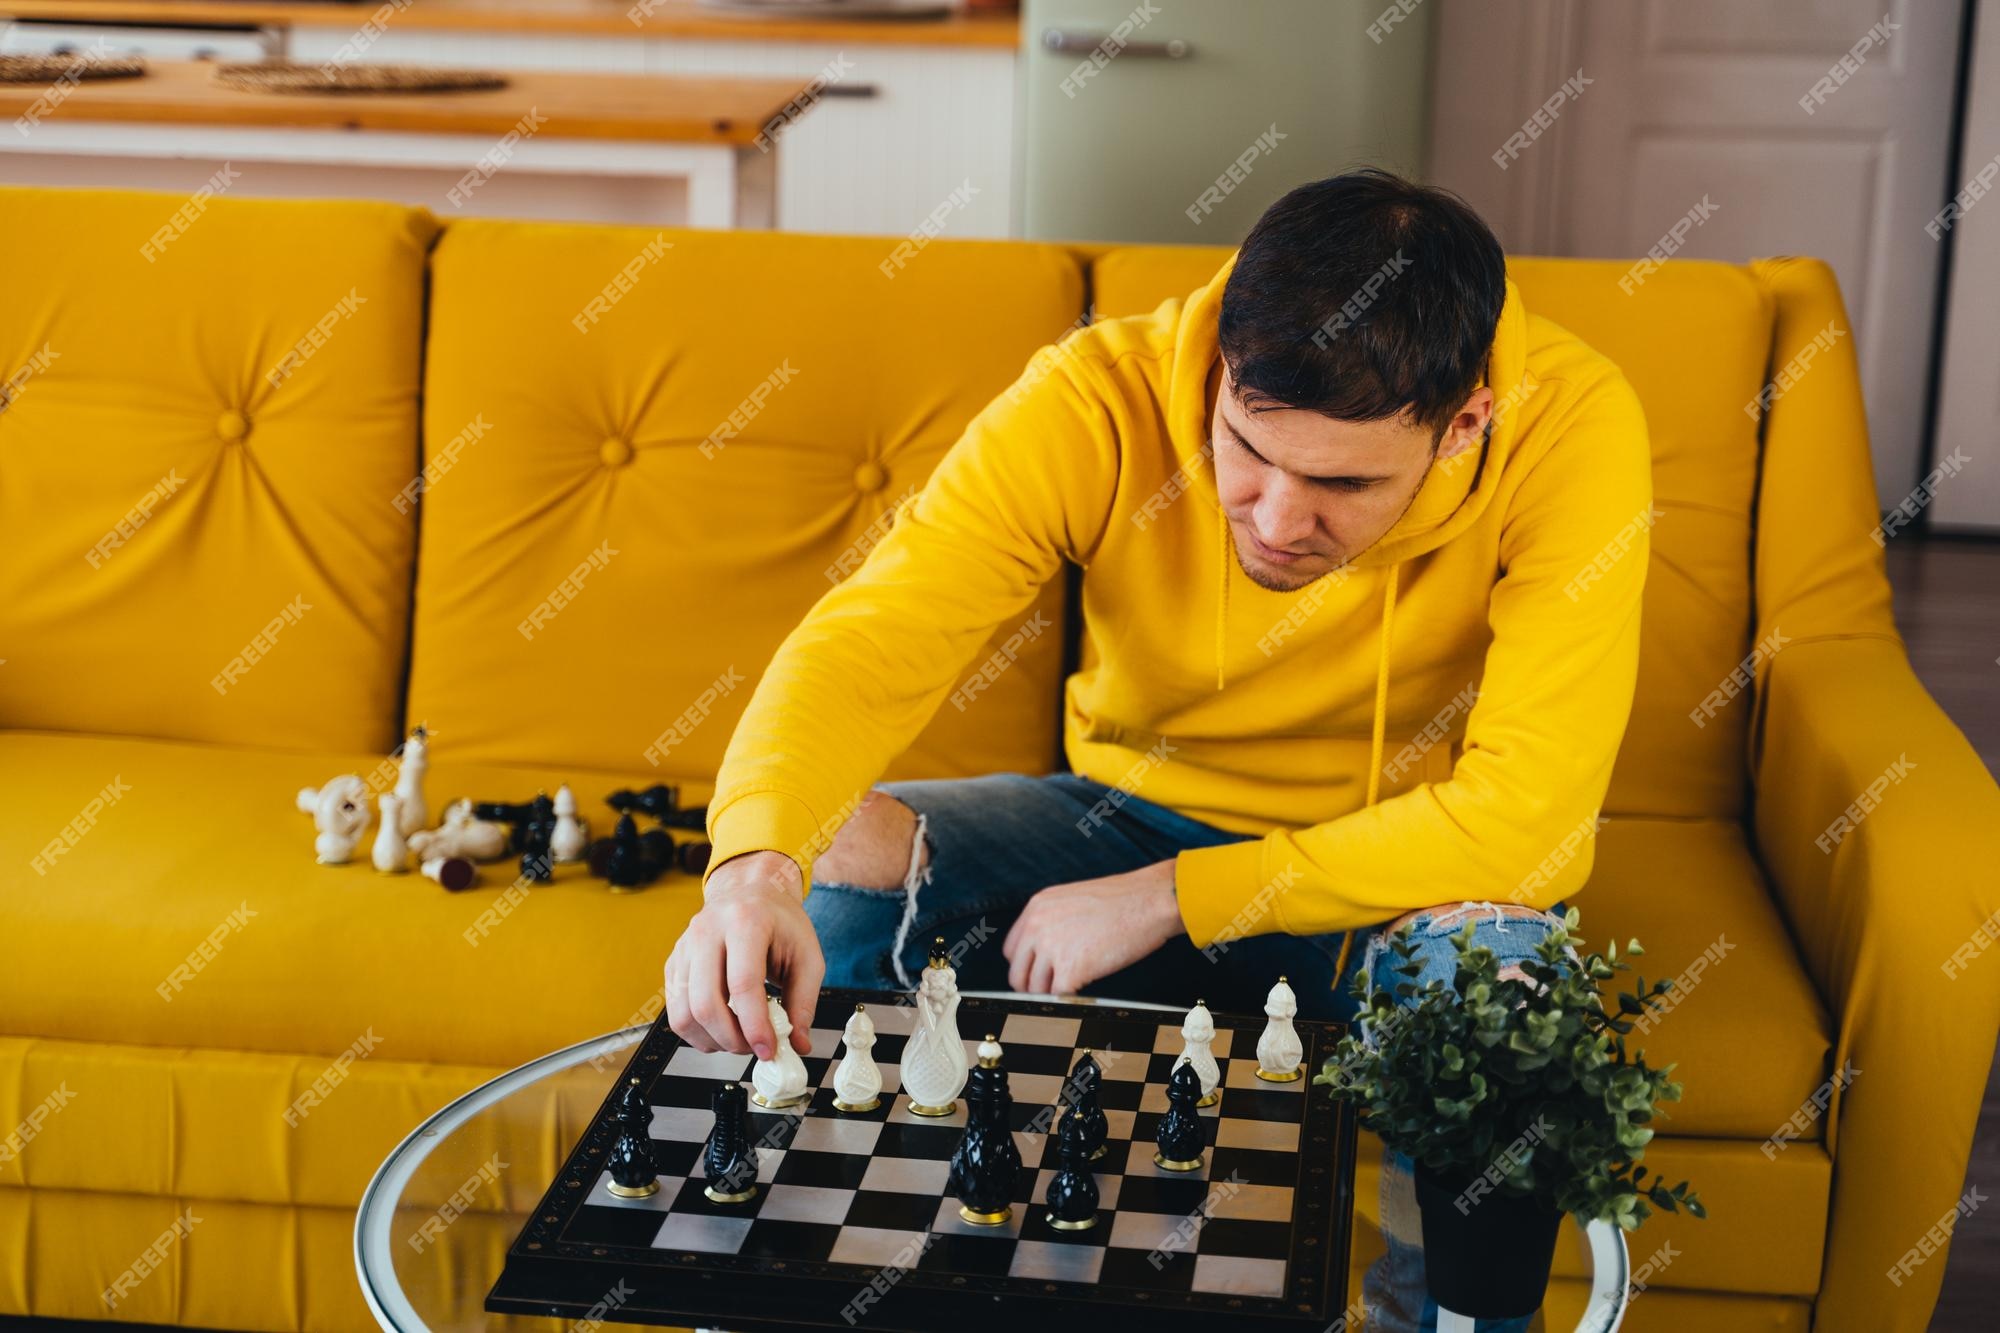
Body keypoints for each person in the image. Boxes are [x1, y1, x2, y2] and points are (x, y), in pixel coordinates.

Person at [665, 168, 1651, 1331]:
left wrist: (1172, 896)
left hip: (1399, 882)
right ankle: (859, 1285)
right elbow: (870, 642)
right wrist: (752, 866)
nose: (1277, 519)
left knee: (1509, 1008)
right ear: (1223, 369)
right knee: (837, 854)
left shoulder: (1570, 424)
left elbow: (1526, 818)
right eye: (1245, 449)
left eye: (1340, 482)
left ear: (1463, 424)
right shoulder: (1101, 397)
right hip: (1117, 817)